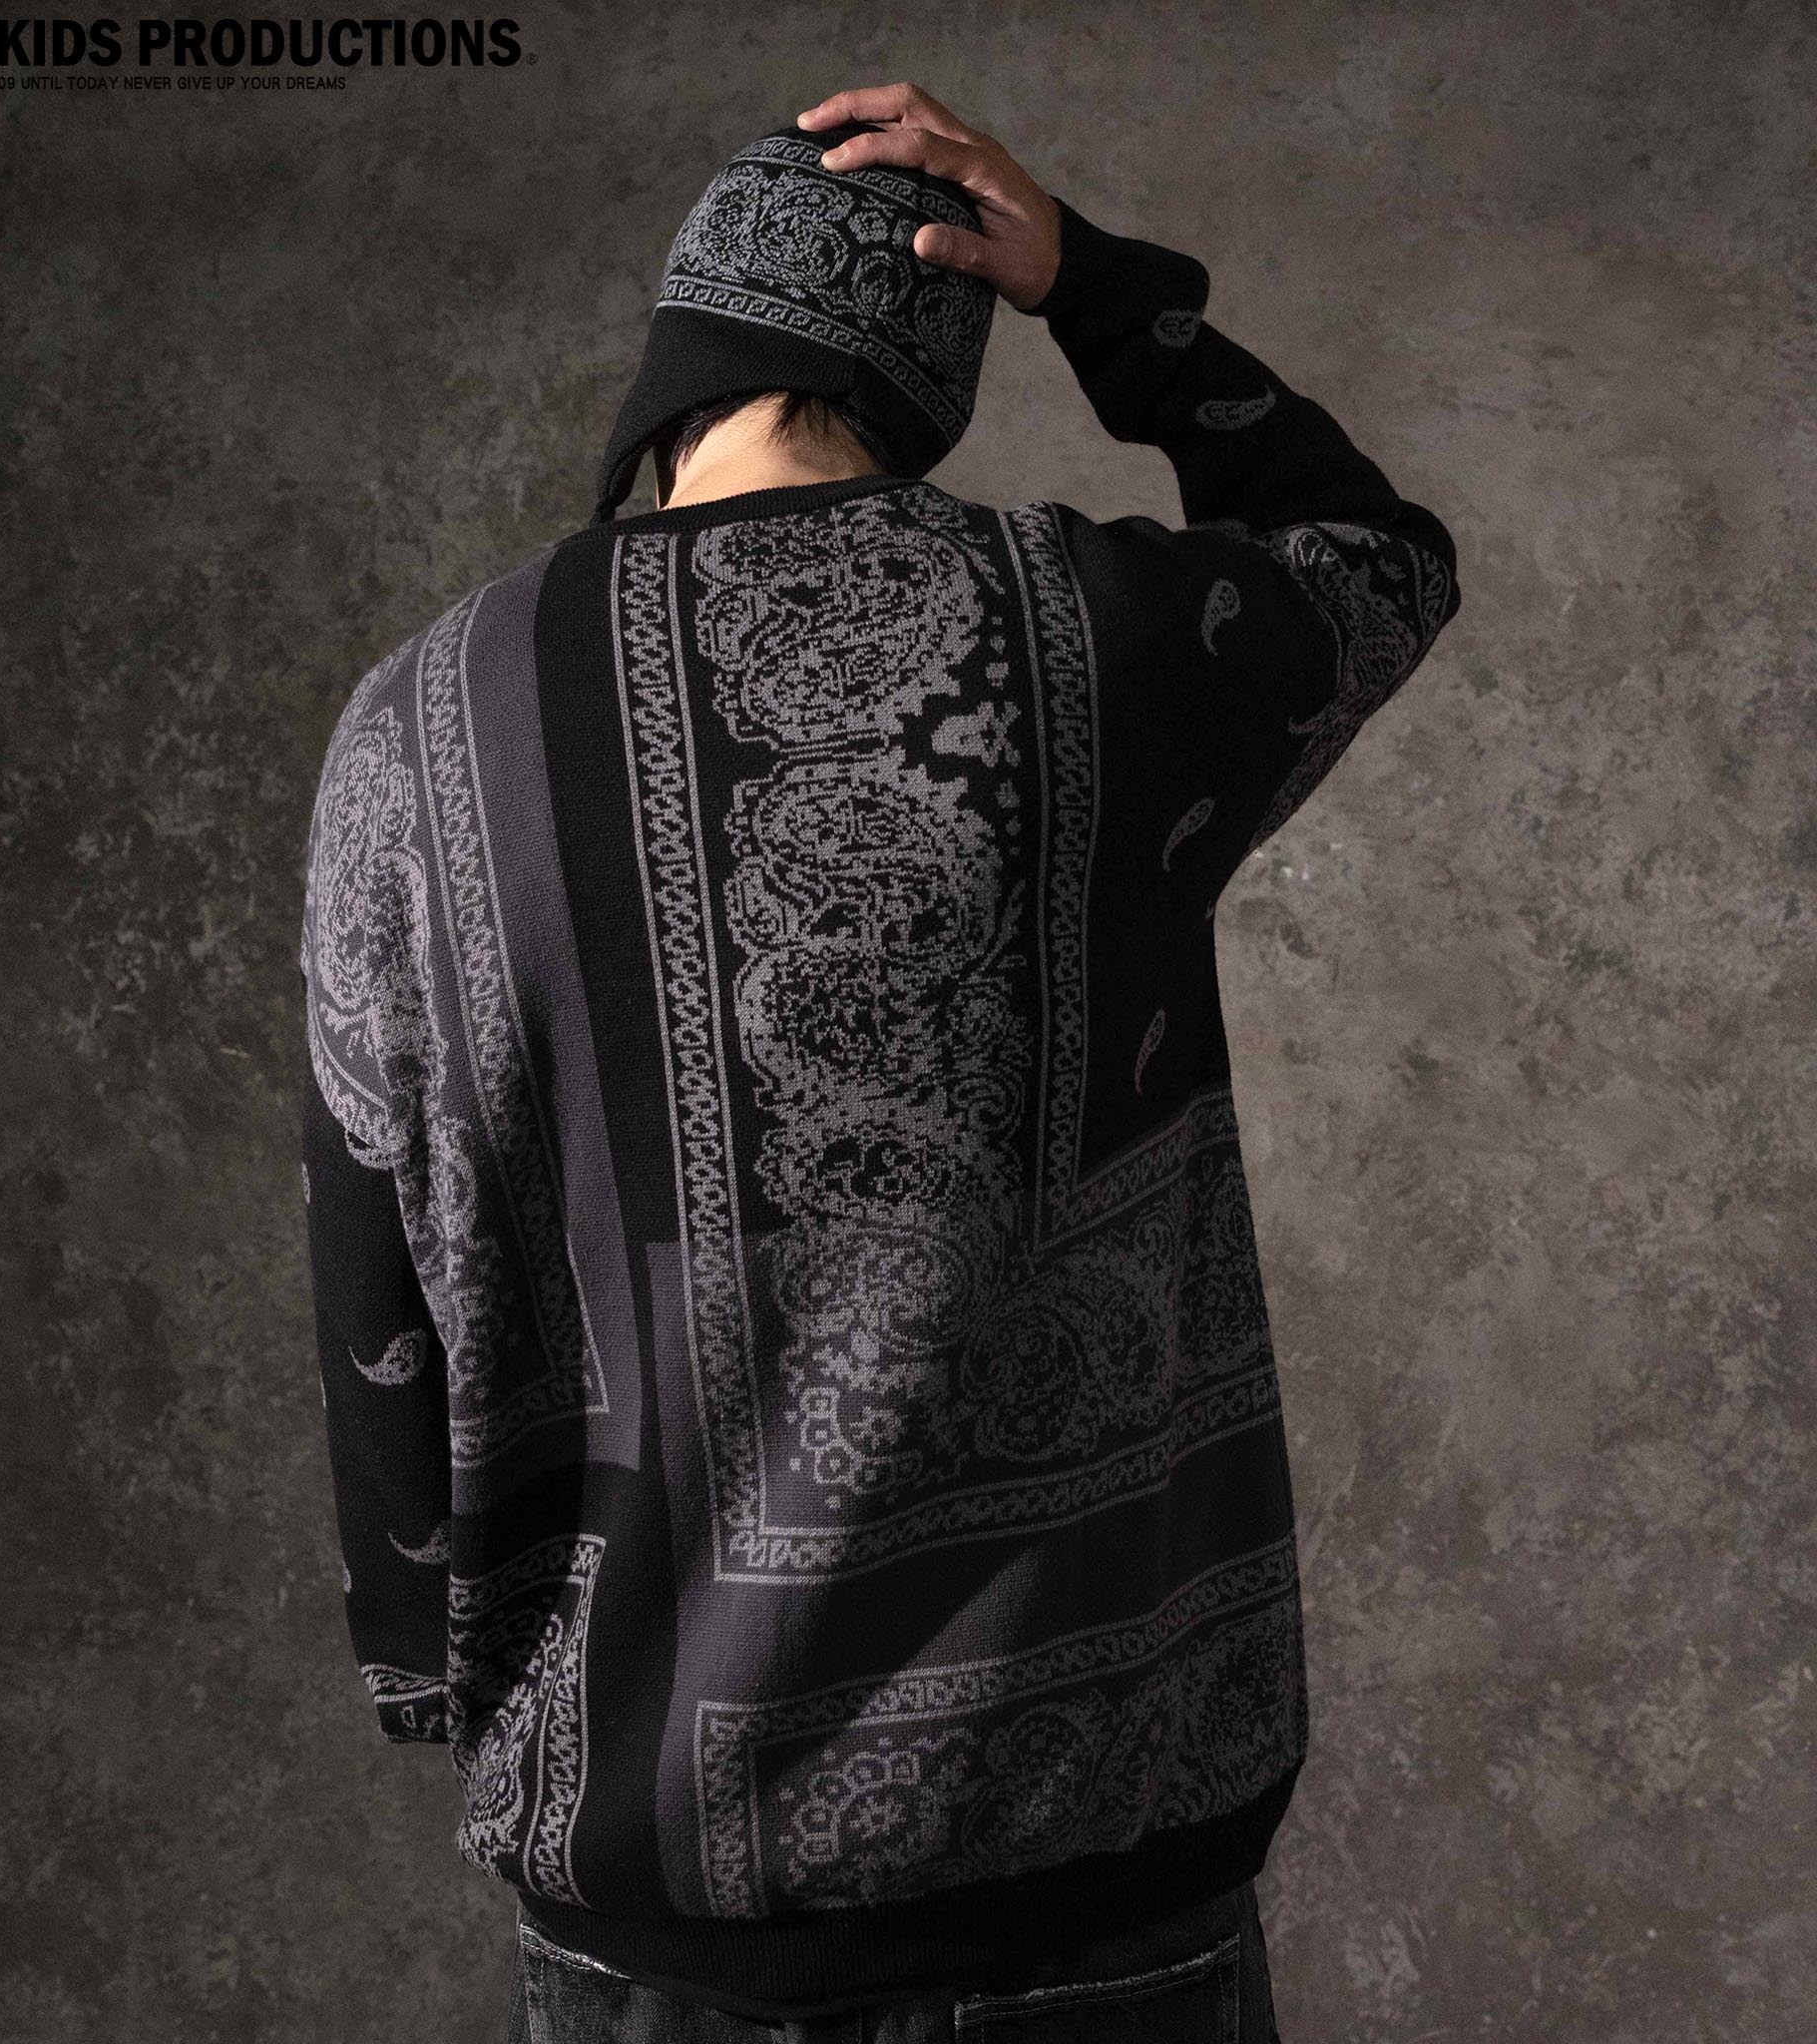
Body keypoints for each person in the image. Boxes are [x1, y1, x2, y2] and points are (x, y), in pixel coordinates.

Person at [296, 80, 1461, 2044]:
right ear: (917, 379)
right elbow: (1373, 552)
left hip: (662, 1900)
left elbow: (372, 1250)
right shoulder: (1094, 639)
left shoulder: (421, 720)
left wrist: (432, 1655)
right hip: (1105, 1880)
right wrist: (1097, 290)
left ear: (672, 389)